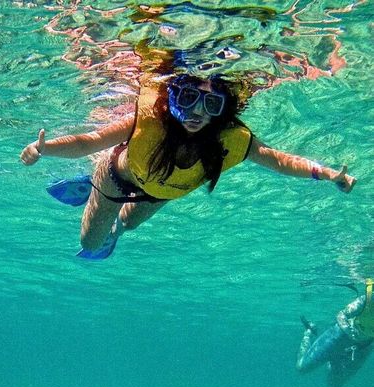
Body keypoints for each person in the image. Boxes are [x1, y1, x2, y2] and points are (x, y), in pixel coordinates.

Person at [20, 71, 356, 259]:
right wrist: (43, 148)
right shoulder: (149, 121)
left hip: (158, 193)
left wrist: (326, 174)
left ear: (222, 108)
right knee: (90, 245)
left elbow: (279, 160)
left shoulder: (232, 140)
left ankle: (116, 227)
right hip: (116, 178)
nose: (198, 113)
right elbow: (90, 141)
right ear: (173, 98)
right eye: (187, 99)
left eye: (210, 103)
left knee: (127, 227)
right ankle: (91, 186)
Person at [296, 280, 374, 387]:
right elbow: (341, 315)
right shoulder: (367, 299)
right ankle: (309, 331)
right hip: (338, 336)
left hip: (363, 347)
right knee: (302, 367)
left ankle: (333, 359)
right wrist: (349, 332)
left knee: (334, 385)